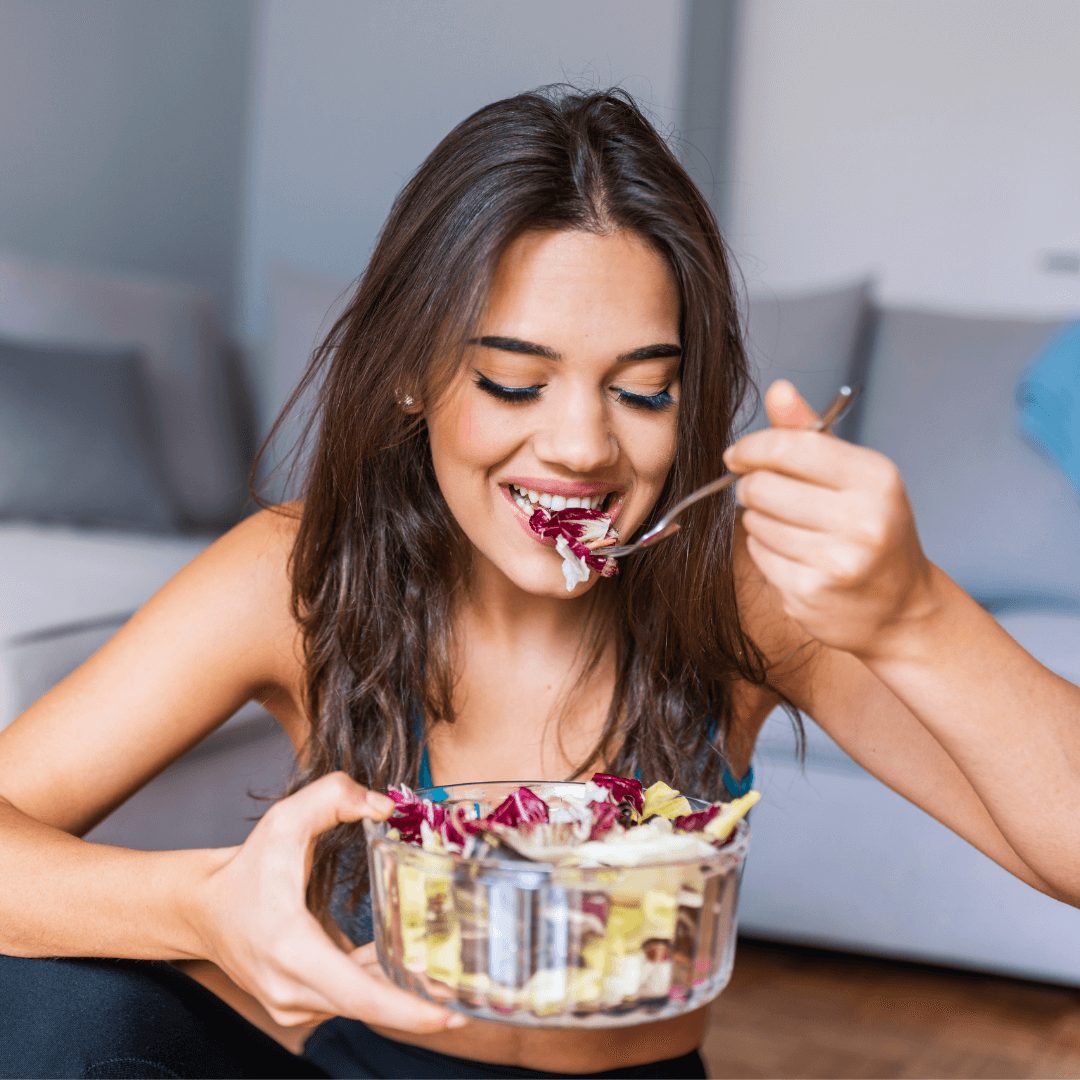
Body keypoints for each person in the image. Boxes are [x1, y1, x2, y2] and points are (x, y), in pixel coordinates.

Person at [1, 84, 1077, 1080]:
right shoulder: (303, 572)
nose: (580, 447)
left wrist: (915, 617)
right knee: (49, 1009)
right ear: (415, 375)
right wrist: (198, 907)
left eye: (644, 393)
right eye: (514, 382)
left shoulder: (743, 593)